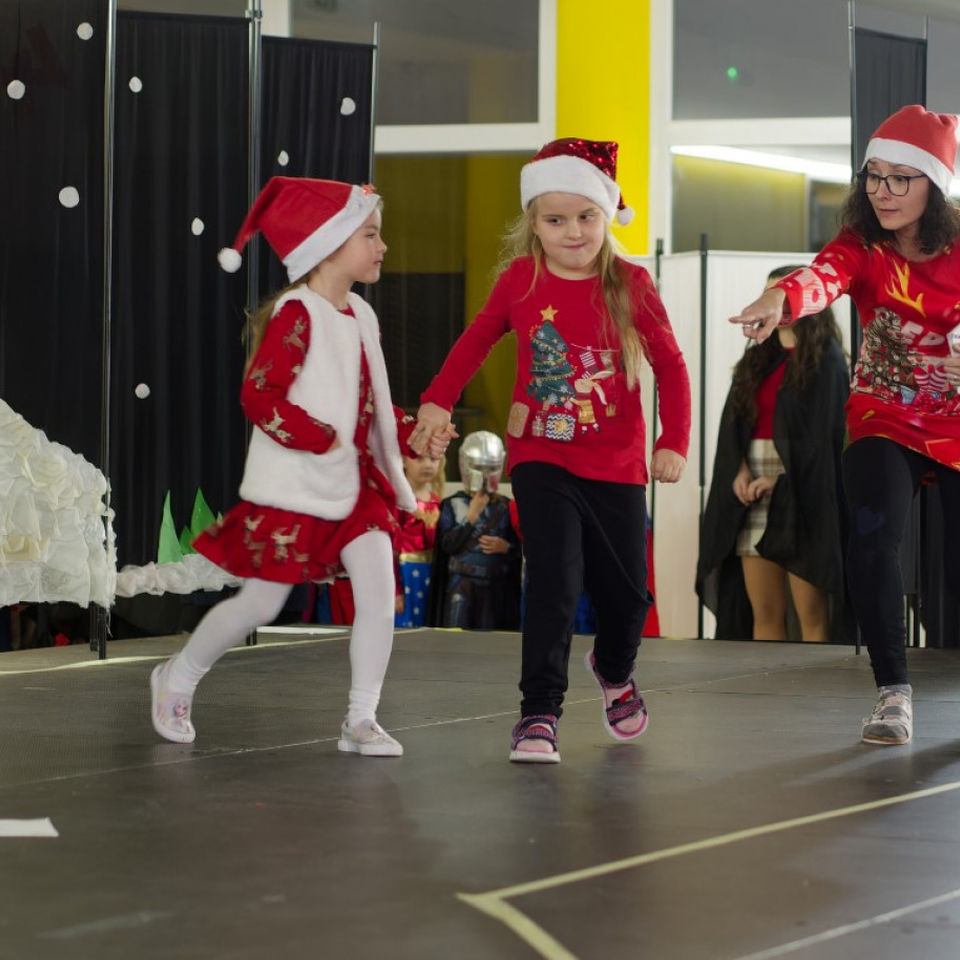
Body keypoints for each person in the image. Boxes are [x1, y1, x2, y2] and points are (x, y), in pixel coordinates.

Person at [149, 176, 452, 757]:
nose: (382, 247)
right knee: (261, 603)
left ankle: (361, 718)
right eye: (371, 235)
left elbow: (368, 394)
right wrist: (321, 439)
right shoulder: (296, 313)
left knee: (377, 588)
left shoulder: (360, 315)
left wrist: (413, 435)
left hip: (357, 488)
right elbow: (260, 397)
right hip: (299, 488)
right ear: (330, 243)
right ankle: (178, 676)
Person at [412, 138, 691, 763]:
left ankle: (615, 670)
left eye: (586, 217)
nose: (572, 232)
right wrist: (436, 400)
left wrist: (673, 442)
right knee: (553, 583)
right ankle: (539, 713)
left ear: (607, 214)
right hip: (542, 458)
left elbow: (671, 367)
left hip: (618, 465)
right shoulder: (520, 280)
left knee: (627, 596)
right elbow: (474, 342)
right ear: (533, 224)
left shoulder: (631, 284)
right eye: (555, 219)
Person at [730, 105, 960, 745]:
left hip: (957, 423)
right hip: (884, 414)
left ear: (934, 186)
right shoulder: (863, 248)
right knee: (872, 537)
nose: (881, 192)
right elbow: (821, 277)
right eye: (873, 176)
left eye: (900, 179)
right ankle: (893, 693)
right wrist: (780, 298)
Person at [698, 266, 851, 645]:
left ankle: (814, 696)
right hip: (753, 491)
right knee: (765, 612)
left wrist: (782, 480)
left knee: (812, 614)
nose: (774, 303)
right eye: (768, 294)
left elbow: (823, 440)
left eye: (782, 293)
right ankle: (768, 695)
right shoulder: (756, 360)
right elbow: (736, 423)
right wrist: (740, 469)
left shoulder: (827, 361)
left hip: (803, 495)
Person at [430, 431, 521, 630]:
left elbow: (519, 551)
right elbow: (447, 546)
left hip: (495, 588)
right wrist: (470, 516)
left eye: (492, 468)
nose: (486, 475)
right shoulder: (452, 504)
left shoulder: (506, 507)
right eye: (480, 468)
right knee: (455, 636)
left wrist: (506, 547)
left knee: (490, 641)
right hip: (461, 584)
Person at [394, 452, 444, 628]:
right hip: (405, 574)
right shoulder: (398, 500)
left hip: (430, 574)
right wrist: (395, 590)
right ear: (404, 460)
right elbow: (390, 548)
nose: (428, 465)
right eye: (420, 458)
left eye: (433, 459)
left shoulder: (438, 502)